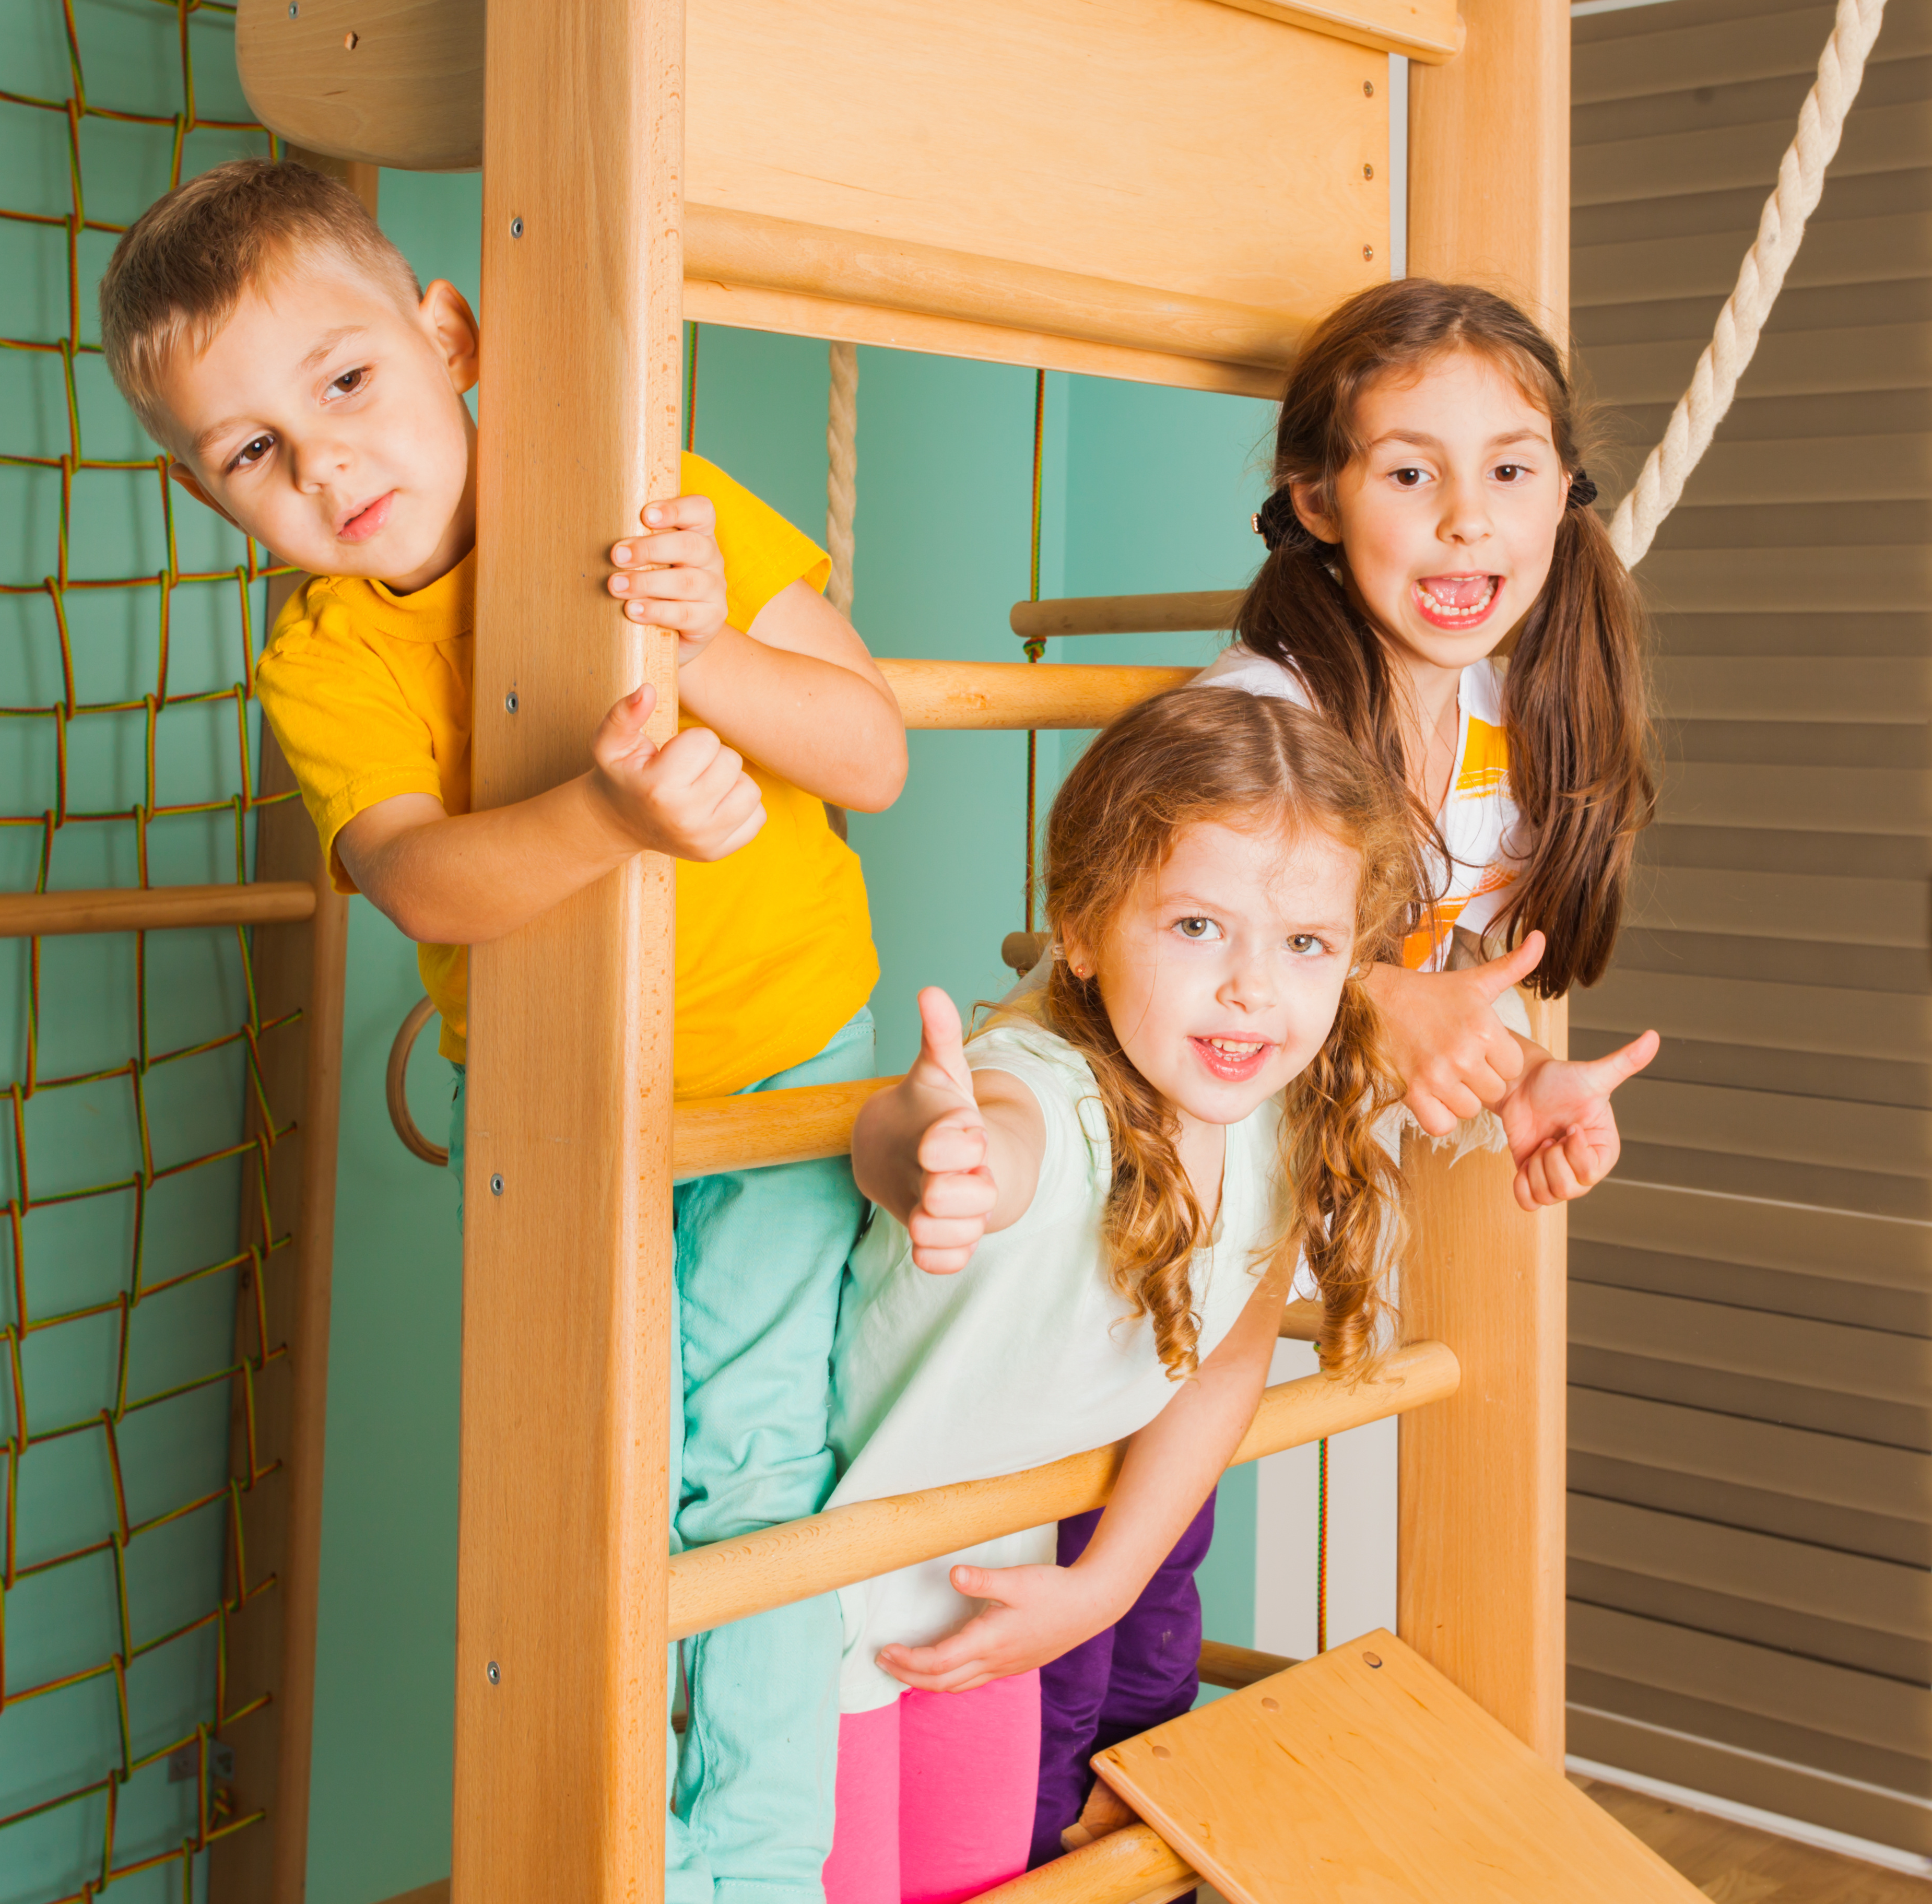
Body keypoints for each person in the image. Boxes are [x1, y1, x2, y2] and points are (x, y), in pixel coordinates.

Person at [96, 159, 907, 1903]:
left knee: (750, 1466)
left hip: (770, 1071)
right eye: (251, 452)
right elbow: (422, 881)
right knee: (579, 1480)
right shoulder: (323, 657)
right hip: (555, 1097)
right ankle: (613, 1838)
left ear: (447, 336)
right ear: (205, 488)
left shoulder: (653, 507)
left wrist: (705, 652)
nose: (323, 466)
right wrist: (611, 821)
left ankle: (752, 1864)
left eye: (345, 383)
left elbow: (870, 752)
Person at [1030, 277, 1665, 1865]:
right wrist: (1389, 998)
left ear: (1565, 496)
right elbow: (1218, 966)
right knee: (1057, 1646)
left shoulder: (1512, 735)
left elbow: (1430, 998)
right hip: (1098, 1225)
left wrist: (1514, 1077)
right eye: (1408, 472)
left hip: (1224, 1246)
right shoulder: (1265, 718)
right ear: (1316, 498)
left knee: (1147, 1657)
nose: (1465, 524)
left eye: (1510, 469)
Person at [824, 689, 1452, 1902]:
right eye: (1197, 926)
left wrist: (1100, 1585)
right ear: (1079, 923)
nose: (1250, 990)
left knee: (979, 1880)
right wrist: (931, 1157)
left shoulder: (1269, 1124)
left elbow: (1224, 1359)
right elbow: (959, 1133)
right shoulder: (1045, 1093)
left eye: (1304, 944)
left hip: (984, 1596)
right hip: (826, 1599)